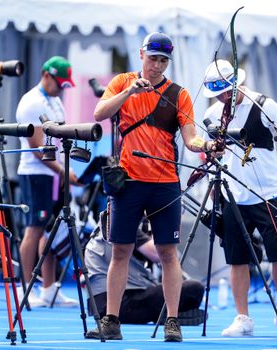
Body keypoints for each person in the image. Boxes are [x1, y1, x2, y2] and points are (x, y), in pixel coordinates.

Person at [86, 32, 215, 342]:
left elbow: (190, 138)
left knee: (168, 253)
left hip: (165, 182)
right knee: (121, 251)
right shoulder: (121, 82)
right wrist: (129, 92)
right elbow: (100, 113)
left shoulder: (178, 94)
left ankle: (172, 321)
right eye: (153, 58)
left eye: (163, 60)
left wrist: (207, 145)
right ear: (141, 54)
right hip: (128, 181)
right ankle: (111, 320)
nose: (157, 65)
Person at [202, 59, 277, 337]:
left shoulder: (264, 104)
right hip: (232, 194)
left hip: (267, 193)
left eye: (225, 92)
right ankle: (242, 317)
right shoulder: (212, 114)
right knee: (237, 258)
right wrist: (212, 180)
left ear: (236, 85)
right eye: (217, 94)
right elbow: (208, 152)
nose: (222, 98)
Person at [16, 56, 79, 308]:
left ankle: (49, 289)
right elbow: (36, 150)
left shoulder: (54, 101)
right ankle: (25, 288)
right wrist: (63, 171)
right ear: (46, 74)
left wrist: (64, 171)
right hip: (35, 173)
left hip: (53, 174)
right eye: (59, 83)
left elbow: (59, 141)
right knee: (35, 229)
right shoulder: (32, 102)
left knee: (50, 231)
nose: (61, 89)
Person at [84, 212, 205, 325]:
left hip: (101, 304)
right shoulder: (123, 218)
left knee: (179, 288)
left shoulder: (112, 216)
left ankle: (168, 315)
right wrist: (164, 229)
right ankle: (171, 316)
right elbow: (157, 254)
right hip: (120, 301)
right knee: (194, 289)